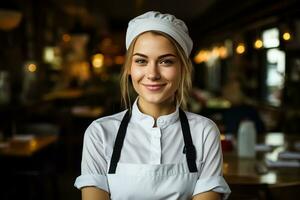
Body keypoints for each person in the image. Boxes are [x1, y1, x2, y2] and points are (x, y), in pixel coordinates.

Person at [74, 11, 231, 200]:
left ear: (184, 68)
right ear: (129, 68)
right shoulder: (100, 133)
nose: (153, 73)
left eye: (166, 61)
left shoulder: (204, 132)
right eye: (141, 61)